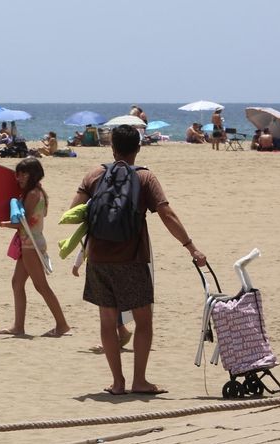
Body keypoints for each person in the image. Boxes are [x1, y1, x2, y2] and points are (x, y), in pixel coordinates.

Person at [68, 125, 206, 396]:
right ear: (139, 147)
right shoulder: (145, 177)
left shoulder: (95, 174)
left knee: (107, 322)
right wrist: (191, 247)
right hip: (132, 260)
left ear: (112, 146)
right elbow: (167, 215)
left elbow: (74, 210)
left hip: (98, 259)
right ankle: (139, 381)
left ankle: (117, 383)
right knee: (143, 321)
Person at [0, 158, 71, 337]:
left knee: (41, 286)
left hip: (32, 245)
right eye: (18, 174)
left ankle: (62, 325)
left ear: (33, 174)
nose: (19, 177)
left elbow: (22, 224)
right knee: (17, 283)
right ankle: (18, 327)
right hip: (29, 244)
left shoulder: (33, 194)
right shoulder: (36, 192)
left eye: (24, 174)